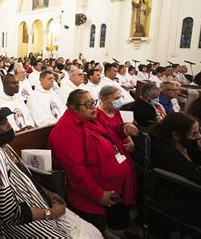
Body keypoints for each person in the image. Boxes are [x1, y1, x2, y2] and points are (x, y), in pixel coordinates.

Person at [0, 97, 102, 238]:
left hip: (37, 204)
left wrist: (46, 192)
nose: (8, 125)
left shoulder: (2, 145)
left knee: (92, 232)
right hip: (23, 223)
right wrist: (50, 213)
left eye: (6, 120)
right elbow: (10, 214)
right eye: (2, 123)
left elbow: (24, 178)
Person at [48, 90, 137, 236]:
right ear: (73, 107)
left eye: (94, 102)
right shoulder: (65, 131)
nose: (94, 107)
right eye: (88, 104)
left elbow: (109, 133)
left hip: (113, 187)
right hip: (92, 195)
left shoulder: (91, 118)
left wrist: (123, 129)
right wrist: (99, 195)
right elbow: (76, 172)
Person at [150, 113, 201, 238]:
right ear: (176, 135)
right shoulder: (166, 153)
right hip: (183, 200)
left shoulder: (189, 144)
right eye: (194, 133)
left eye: (199, 131)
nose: (200, 136)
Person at [96, 85, 138, 154]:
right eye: (116, 98)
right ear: (105, 100)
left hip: (123, 147)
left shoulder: (116, 111)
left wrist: (131, 142)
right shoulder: (97, 115)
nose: (120, 100)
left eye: (120, 97)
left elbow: (123, 128)